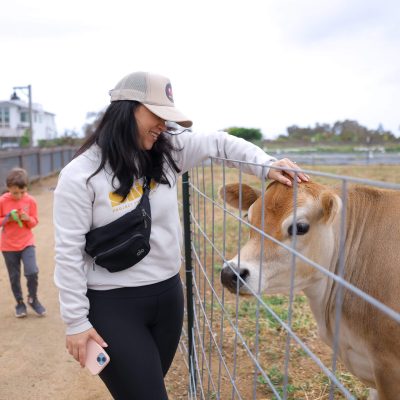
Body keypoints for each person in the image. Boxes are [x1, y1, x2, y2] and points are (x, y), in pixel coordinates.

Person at [53, 71, 308, 399]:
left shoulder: (168, 153)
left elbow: (218, 142)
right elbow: (68, 252)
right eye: (156, 115)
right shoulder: (81, 176)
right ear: (127, 109)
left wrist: (265, 164)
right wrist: (75, 322)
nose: (162, 125)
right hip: (112, 305)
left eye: (166, 117)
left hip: (168, 298)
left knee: (144, 389)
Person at [0, 167, 46, 317]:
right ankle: (20, 303)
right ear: (8, 188)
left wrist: (28, 219)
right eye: (15, 193)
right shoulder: (2, 201)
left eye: (22, 192)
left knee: (32, 272)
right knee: (14, 277)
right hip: (8, 246)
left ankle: (33, 299)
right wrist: (7, 218)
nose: (19, 195)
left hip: (27, 243)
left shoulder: (30, 201)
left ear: (26, 188)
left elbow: (34, 222)